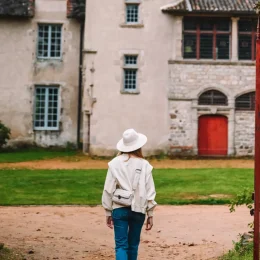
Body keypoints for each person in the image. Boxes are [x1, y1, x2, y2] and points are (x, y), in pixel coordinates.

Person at [102, 128, 157, 260]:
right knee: (133, 245)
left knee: (121, 246)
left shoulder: (114, 163)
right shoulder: (145, 165)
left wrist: (108, 212)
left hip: (119, 208)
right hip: (139, 209)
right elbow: (150, 190)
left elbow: (108, 189)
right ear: (139, 146)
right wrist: (150, 213)